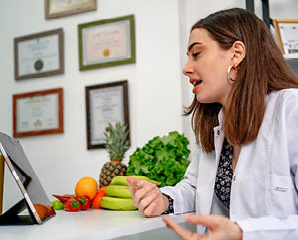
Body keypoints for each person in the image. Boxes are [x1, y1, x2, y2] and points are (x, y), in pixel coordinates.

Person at [127, 7, 298, 239]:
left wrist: (242, 233)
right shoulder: (219, 123)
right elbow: (197, 188)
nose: (186, 68)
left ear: (236, 54)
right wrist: (163, 200)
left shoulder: (291, 110)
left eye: (196, 54)